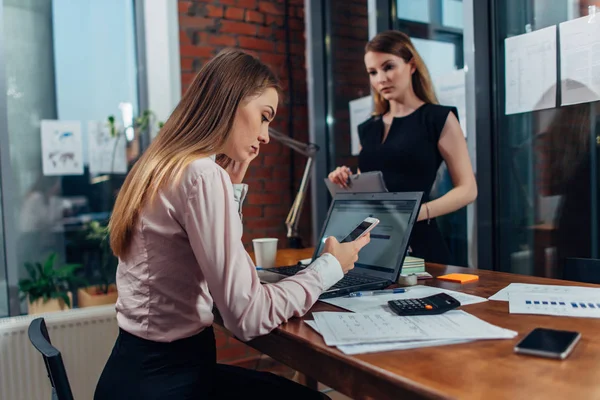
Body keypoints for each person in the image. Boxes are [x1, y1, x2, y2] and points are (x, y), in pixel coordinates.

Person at [94, 48, 370, 400]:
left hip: (133, 374)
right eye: (264, 116)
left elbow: (209, 266)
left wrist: (233, 190)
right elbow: (247, 315)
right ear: (232, 100)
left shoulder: (160, 163)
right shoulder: (201, 174)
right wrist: (330, 266)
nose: (267, 136)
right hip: (171, 382)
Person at [328, 30, 477, 265]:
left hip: (421, 245)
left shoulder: (438, 118)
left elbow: (468, 189)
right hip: (375, 246)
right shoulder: (367, 128)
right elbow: (370, 191)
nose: (381, 79)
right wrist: (344, 181)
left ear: (412, 65)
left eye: (388, 67)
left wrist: (417, 212)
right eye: (373, 72)